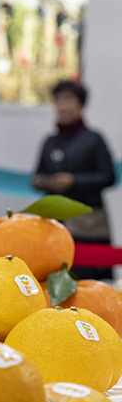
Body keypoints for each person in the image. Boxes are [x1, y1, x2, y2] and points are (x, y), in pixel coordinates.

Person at [33, 80, 116, 280]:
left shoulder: (94, 139)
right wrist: (42, 182)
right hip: (54, 222)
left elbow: (109, 176)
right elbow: (36, 175)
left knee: (86, 280)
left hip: (87, 224)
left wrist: (74, 181)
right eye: (58, 100)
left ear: (81, 104)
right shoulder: (50, 141)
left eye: (68, 100)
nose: (63, 106)